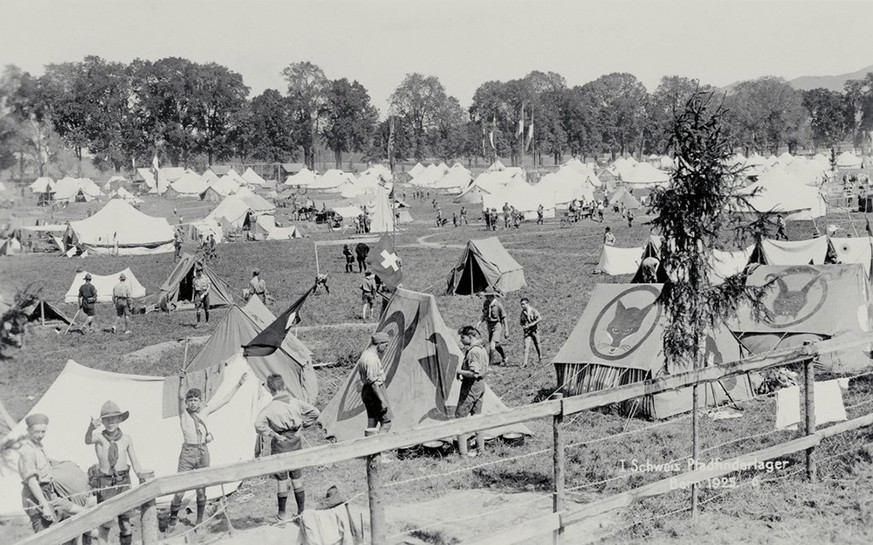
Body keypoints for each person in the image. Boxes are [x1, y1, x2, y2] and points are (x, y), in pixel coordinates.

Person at [165, 372, 248, 531]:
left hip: (203, 452)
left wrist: (239, 384)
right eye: (191, 401)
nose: (193, 403)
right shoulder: (183, 415)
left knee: (202, 490)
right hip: (187, 454)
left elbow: (225, 401)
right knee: (180, 490)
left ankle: (199, 521)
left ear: (200, 402)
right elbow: (180, 398)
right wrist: (181, 381)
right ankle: (173, 520)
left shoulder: (205, 412)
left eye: (196, 400)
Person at [254, 374, 321, 522]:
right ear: (284, 386)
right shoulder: (295, 402)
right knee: (297, 478)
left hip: (281, 443)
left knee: (282, 480)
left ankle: (282, 516)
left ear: (271, 390)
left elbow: (258, 425)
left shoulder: (271, 407)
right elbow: (315, 412)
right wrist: (302, 427)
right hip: (295, 441)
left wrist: (273, 434)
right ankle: (301, 513)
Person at [85, 401, 147, 545]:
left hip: (124, 482)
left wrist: (141, 476)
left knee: (125, 523)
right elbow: (87, 440)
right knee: (105, 524)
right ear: (102, 422)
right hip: (106, 483)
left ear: (120, 419)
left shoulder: (126, 439)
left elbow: (135, 462)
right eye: (107, 419)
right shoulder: (99, 438)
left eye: (114, 418)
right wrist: (90, 428)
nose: (111, 422)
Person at [19, 414, 85, 535]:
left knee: (82, 512)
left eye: (43, 432)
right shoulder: (27, 451)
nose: (40, 435)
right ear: (28, 431)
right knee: (45, 536)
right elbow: (32, 482)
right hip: (36, 497)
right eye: (36, 432)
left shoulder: (38, 447)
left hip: (50, 494)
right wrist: (44, 505)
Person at [455, 326, 488, 457]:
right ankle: (481, 450)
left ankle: (463, 453)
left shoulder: (474, 351)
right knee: (477, 417)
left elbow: (474, 373)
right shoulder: (481, 349)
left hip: (471, 386)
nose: (461, 340)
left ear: (470, 336)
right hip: (480, 385)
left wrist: (459, 371)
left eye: (462, 337)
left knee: (460, 418)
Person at [357, 332, 393, 434]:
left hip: (367, 391)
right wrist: (382, 400)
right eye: (385, 346)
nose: (385, 348)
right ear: (379, 344)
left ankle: (368, 445)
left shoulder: (365, 354)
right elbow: (374, 383)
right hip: (375, 392)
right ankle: (377, 447)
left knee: (372, 423)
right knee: (386, 424)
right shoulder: (372, 359)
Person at [479, 287, 508, 364]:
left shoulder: (498, 305)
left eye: (487, 295)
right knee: (496, 344)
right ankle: (504, 357)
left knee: (492, 344)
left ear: (491, 295)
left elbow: (504, 318)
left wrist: (506, 331)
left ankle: (490, 362)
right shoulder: (486, 303)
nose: (486, 297)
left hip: (497, 325)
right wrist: (478, 323)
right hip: (489, 325)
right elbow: (484, 314)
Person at [519, 297, 542, 367]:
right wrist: (523, 326)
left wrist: (532, 324)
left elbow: (540, 318)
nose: (522, 306)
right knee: (526, 346)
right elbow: (521, 322)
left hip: (534, 330)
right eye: (521, 304)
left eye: (523, 304)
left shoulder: (533, 310)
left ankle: (540, 358)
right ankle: (525, 363)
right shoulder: (522, 313)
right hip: (527, 332)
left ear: (527, 303)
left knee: (537, 344)